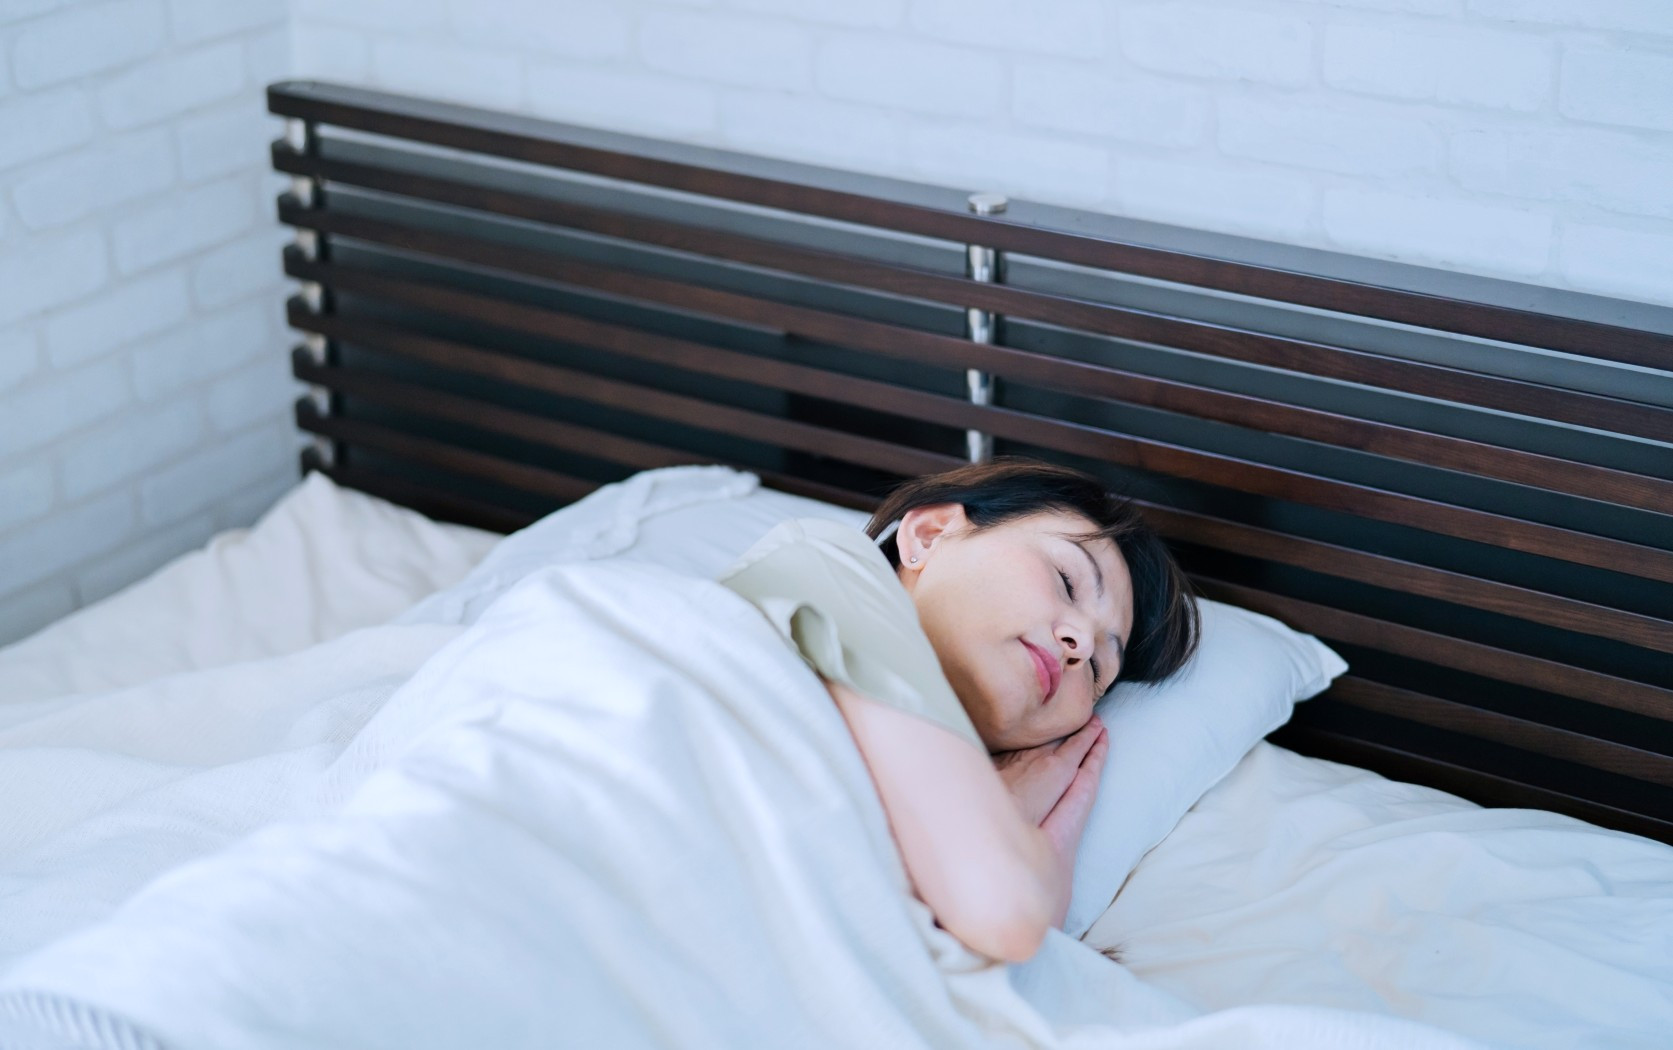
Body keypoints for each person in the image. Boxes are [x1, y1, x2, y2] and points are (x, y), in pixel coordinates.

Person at [718, 457, 1199, 965]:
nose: (1079, 642)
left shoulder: (943, 854)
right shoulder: (823, 562)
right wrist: (1025, 815)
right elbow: (1008, 912)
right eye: (1066, 580)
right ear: (930, 534)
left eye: (1099, 669)